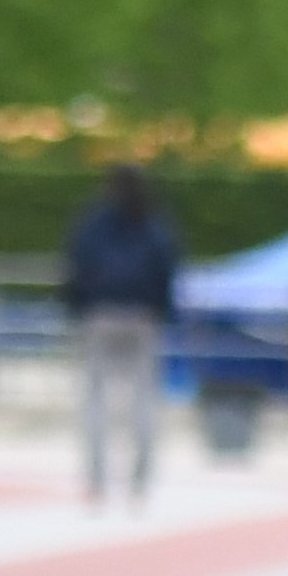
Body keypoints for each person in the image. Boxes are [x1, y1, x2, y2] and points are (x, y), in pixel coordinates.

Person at [62, 164, 179, 505]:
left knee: (95, 400)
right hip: (143, 316)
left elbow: (76, 263)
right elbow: (167, 268)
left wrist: (77, 307)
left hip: (99, 314)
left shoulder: (94, 221)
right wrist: (162, 310)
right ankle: (139, 480)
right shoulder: (154, 222)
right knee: (144, 401)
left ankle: (96, 479)